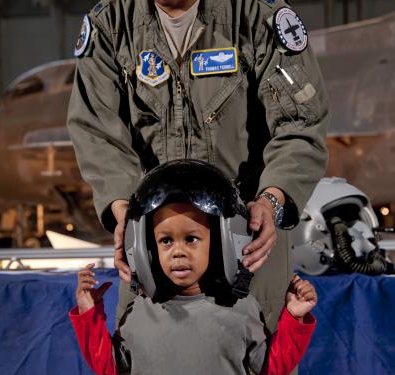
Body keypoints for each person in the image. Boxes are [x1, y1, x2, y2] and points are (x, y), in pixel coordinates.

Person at [67, 0, 329, 331]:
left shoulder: (258, 16)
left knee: (257, 360)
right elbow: (96, 132)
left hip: (247, 240)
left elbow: (301, 125)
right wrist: (125, 213)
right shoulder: (110, 24)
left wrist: (272, 202)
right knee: (147, 356)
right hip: (153, 247)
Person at [68, 161, 317, 374]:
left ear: (220, 244)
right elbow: (110, 367)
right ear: (147, 248)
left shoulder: (241, 309)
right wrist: (89, 313)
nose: (178, 251)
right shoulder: (138, 310)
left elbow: (271, 368)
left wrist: (294, 318)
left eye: (191, 239)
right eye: (166, 241)